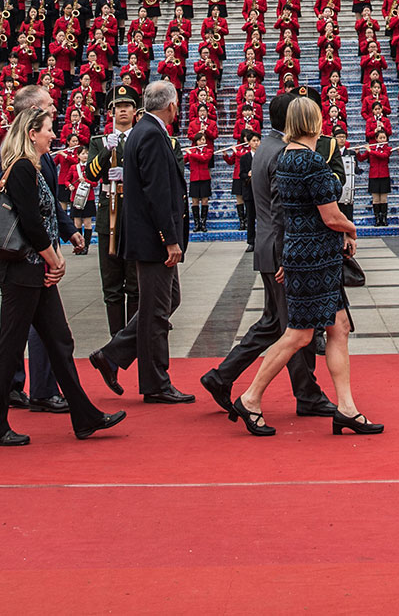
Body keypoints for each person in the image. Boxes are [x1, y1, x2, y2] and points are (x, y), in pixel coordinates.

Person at [226, 96, 380, 438]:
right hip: (314, 258)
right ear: (316, 123)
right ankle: (250, 398)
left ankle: (346, 408)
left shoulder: (287, 159)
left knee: (338, 326)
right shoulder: (311, 162)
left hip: (304, 253)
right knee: (299, 333)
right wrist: (351, 229)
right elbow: (331, 215)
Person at [0, 105, 125, 446]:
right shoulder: (24, 167)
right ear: (31, 134)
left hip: (33, 272)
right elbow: (31, 221)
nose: (53, 135)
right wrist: (53, 258)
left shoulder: (32, 167)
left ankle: (84, 416)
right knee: (9, 347)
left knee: (59, 340)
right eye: (47, 130)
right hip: (23, 272)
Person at [202, 91, 338, 419]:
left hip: (268, 245)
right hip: (281, 249)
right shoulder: (284, 154)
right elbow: (281, 212)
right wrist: (285, 258)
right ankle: (307, 395)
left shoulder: (266, 146)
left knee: (273, 323)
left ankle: (222, 377)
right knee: (299, 325)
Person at [88, 80, 195, 404]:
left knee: (161, 305)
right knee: (157, 309)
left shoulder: (142, 131)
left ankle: (114, 354)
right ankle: (154, 380)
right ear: (172, 106)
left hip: (148, 237)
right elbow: (157, 194)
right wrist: (169, 240)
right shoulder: (150, 134)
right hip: (153, 240)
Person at [82, 85, 144, 335]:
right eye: (118, 108)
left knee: (135, 283)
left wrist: (128, 173)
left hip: (134, 216)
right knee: (111, 283)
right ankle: (115, 337)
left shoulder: (142, 139)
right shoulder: (99, 142)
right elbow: (91, 174)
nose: (123, 111)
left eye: (127, 106)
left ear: (135, 111)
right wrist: (108, 150)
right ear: (111, 113)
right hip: (109, 214)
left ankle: (131, 337)